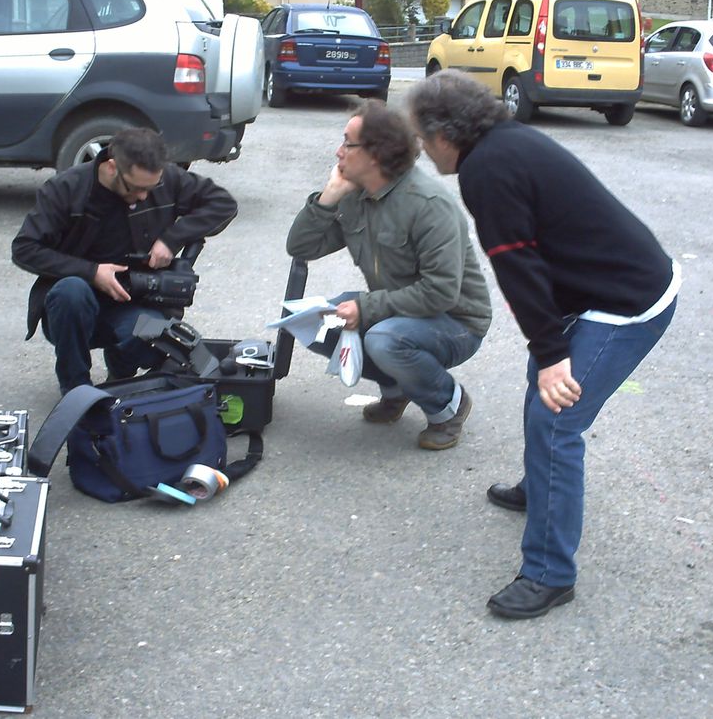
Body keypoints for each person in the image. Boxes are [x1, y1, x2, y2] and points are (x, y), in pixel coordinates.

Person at [407, 70, 680, 619]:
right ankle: (541, 490)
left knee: (557, 418)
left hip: (627, 303)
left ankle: (550, 574)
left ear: (444, 133)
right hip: (593, 290)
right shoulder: (503, 143)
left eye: (421, 134)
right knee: (543, 390)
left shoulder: (486, 168)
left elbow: (519, 268)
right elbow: (531, 261)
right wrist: (547, 354)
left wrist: (554, 355)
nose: (419, 146)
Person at [285, 100, 492, 451]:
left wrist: (364, 308)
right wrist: (328, 198)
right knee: (315, 323)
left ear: (376, 154)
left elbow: (440, 293)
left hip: (456, 321)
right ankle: (399, 389)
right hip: (399, 313)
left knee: (384, 339)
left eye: (348, 144)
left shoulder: (427, 205)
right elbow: (301, 247)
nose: (338, 152)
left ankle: (449, 405)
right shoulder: (356, 195)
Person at [12, 128, 237, 393]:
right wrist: (92, 271)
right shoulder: (65, 188)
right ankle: (76, 390)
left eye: (151, 188)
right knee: (70, 292)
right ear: (111, 168)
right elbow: (24, 248)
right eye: (136, 188)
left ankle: (120, 378)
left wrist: (172, 239)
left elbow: (223, 204)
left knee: (157, 338)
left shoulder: (166, 180)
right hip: (76, 301)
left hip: (136, 299)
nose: (143, 197)